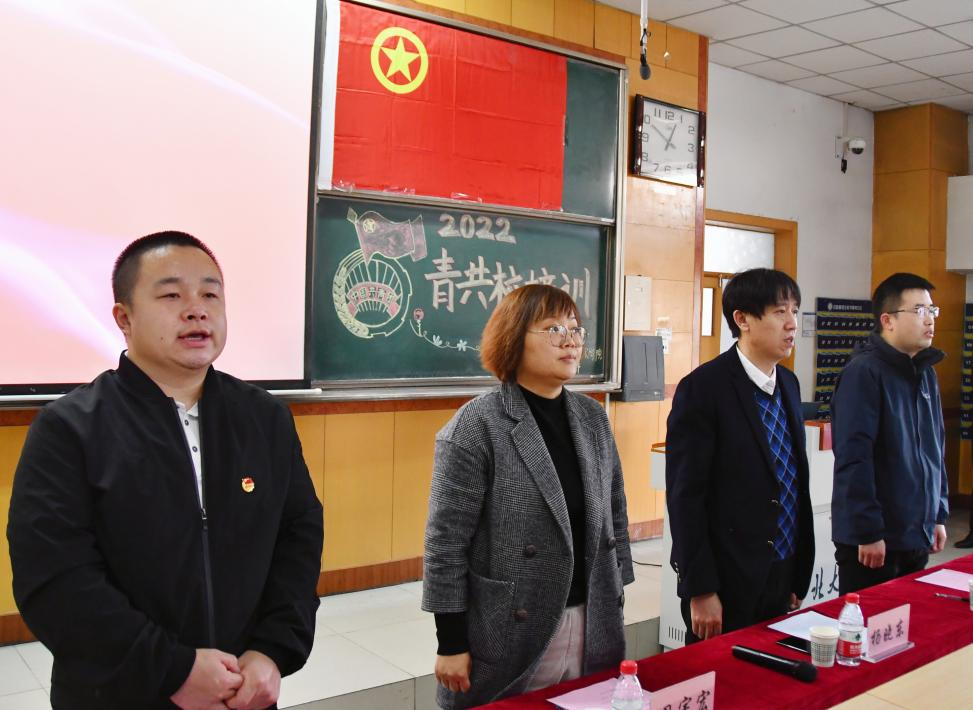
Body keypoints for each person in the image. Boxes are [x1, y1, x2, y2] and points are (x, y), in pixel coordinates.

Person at [7, 231, 324, 709]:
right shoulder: (69, 428)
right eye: (172, 295)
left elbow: (298, 537)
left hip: (242, 692)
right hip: (117, 694)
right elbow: (54, 579)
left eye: (210, 295)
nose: (197, 310)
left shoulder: (265, 417)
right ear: (124, 318)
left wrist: (272, 650)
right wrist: (173, 670)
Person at [422, 284, 634, 709]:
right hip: (513, 625)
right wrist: (451, 641)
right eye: (553, 329)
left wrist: (616, 596)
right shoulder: (477, 425)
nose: (571, 340)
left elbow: (615, 514)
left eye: (575, 328)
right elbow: (445, 543)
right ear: (514, 337)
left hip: (592, 617)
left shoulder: (592, 417)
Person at [666, 268, 814, 643]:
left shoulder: (789, 384)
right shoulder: (703, 388)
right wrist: (701, 589)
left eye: (795, 311)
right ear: (742, 319)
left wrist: (796, 574)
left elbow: (793, 483)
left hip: (781, 570)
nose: (792, 324)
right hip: (726, 579)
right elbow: (686, 497)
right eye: (780, 312)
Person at [831, 273, 949, 593]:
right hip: (875, 539)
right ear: (888, 320)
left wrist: (937, 514)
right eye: (920, 311)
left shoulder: (925, 372)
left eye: (932, 310)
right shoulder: (863, 373)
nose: (930, 320)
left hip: (916, 533)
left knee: (910, 619)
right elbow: (855, 457)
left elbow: (935, 449)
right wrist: (867, 531)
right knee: (870, 621)